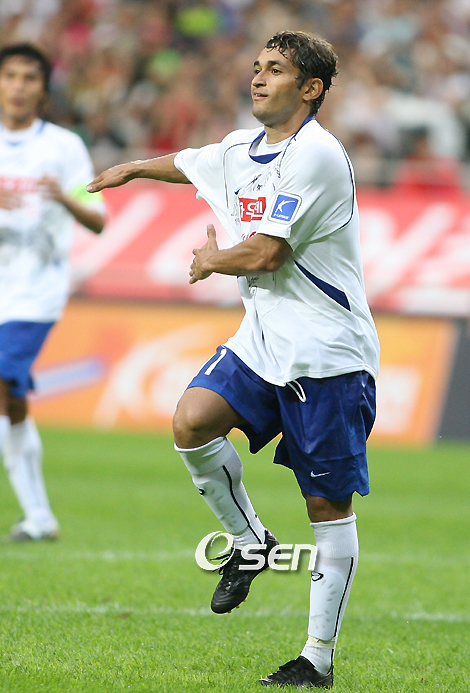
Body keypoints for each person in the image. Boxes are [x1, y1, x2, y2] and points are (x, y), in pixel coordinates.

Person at [88, 30, 380, 689]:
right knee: (192, 420)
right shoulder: (241, 148)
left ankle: (317, 658)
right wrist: (133, 168)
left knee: (326, 507)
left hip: (326, 355)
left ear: (310, 88)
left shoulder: (317, 155)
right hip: (263, 337)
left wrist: (211, 260)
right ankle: (251, 543)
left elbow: (267, 252)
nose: (258, 77)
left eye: (275, 69)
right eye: (256, 66)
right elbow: (192, 162)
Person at [0, 43, 105, 541]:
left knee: (1, 379)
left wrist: (64, 196)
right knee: (12, 399)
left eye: (29, 78)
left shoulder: (64, 148)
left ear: (44, 89)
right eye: (10, 76)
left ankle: (38, 516)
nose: (18, 86)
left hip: (34, 292)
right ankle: (39, 517)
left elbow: (98, 217)